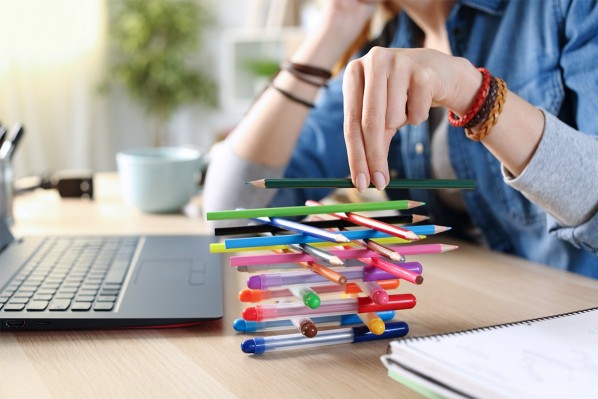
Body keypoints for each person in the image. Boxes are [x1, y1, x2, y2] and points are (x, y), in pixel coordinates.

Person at [204, 0, 598, 278]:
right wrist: (333, 27)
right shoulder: (383, 56)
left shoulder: (560, 9)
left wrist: (470, 91)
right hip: (480, 322)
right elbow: (235, 214)